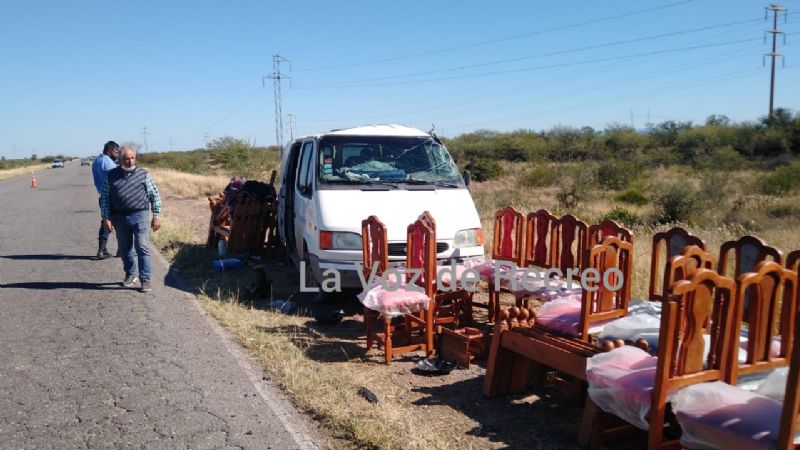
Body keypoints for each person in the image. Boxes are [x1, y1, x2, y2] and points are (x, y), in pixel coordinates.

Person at [99, 146, 161, 293]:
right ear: (119, 159)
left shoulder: (143, 174)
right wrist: (106, 218)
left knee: (142, 247)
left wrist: (156, 216)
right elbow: (105, 198)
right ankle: (130, 274)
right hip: (120, 217)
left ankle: (145, 279)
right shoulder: (111, 175)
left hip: (141, 215)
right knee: (125, 249)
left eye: (132, 158)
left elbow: (155, 196)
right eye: (126, 158)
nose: (129, 161)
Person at [91, 141, 119, 259]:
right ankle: (121, 250)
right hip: (111, 196)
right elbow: (116, 176)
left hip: (102, 196)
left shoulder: (96, 161)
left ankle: (102, 250)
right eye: (115, 151)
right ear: (109, 151)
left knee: (105, 222)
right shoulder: (107, 161)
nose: (117, 154)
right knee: (119, 223)